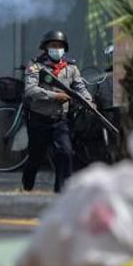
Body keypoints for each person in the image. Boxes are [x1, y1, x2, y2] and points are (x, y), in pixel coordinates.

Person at [22, 30, 93, 193]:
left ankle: (62, 192)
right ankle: (27, 186)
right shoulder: (35, 66)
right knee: (35, 158)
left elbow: (79, 87)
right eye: (53, 45)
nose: (57, 48)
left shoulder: (71, 67)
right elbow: (30, 90)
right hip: (39, 119)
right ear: (46, 48)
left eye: (60, 46)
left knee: (65, 153)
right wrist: (55, 96)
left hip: (60, 120)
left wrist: (88, 100)